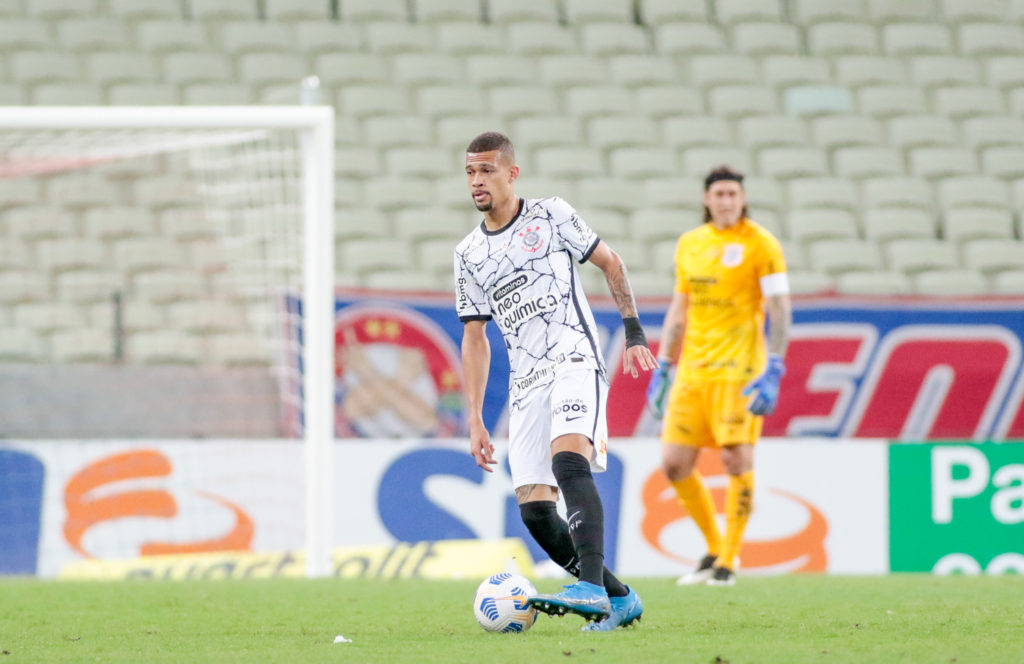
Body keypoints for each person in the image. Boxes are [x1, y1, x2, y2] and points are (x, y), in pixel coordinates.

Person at [454, 132, 658, 630]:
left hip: (573, 358)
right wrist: (475, 418)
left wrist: (633, 331)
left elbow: (611, 262)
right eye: (470, 173)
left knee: (570, 461)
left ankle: (588, 588)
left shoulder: (551, 215)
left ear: (511, 173)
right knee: (536, 513)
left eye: (486, 170)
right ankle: (620, 598)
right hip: (526, 384)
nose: (477, 181)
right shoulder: (468, 254)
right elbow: (475, 338)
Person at [646, 165, 791, 587]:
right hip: (694, 371)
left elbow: (779, 308)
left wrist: (775, 366)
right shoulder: (690, 244)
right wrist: (665, 365)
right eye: (720, 194)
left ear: (743, 199)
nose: (727, 201)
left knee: (735, 459)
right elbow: (679, 310)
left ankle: (729, 561)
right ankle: (712, 549)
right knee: (674, 465)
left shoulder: (762, 244)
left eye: (733, 194)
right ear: (706, 199)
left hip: (740, 370)